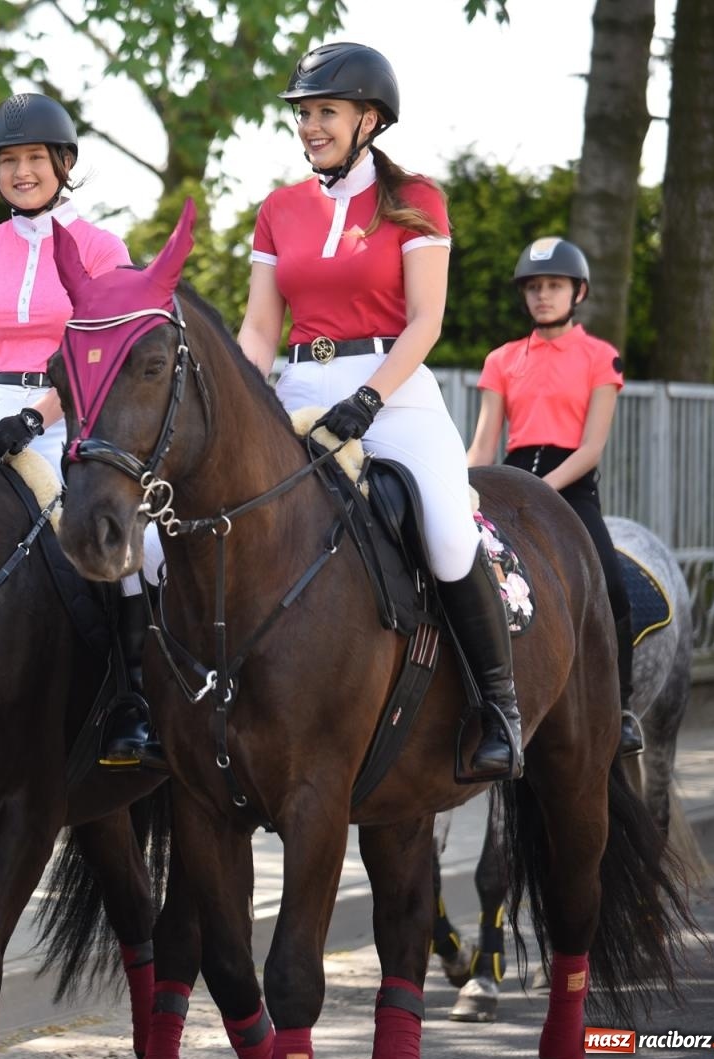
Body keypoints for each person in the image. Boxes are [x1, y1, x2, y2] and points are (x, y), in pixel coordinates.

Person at [234, 42, 522, 782]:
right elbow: (262, 327)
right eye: (302, 115)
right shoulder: (278, 209)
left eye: (325, 112)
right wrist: (243, 392)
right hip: (296, 388)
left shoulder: (416, 198)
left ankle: (498, 708)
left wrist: (369, 397)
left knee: (449, 535)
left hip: (391, 387)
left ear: (369, 118)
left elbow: (426, 321)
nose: (310, 127)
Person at [0, 91, 161, 770]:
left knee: (123, 542)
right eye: (7, 161)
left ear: (64, 163)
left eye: (34, 159)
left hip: (63, 423)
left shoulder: (103, 250)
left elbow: (102, 358)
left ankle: (132, 697)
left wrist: (36, 417)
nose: (21, 172)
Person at [466, 237, 643, 756]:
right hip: (509, 481)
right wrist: (454, 484)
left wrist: (540, 493)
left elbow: (591, 448)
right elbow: (483, 442)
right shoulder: (501, 359)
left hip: (571, 487)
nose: (543, 295)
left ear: (578, 292)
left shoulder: (600, 357)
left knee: (610, 584)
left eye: (554, 286)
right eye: (535, 287)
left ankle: (623, 707)